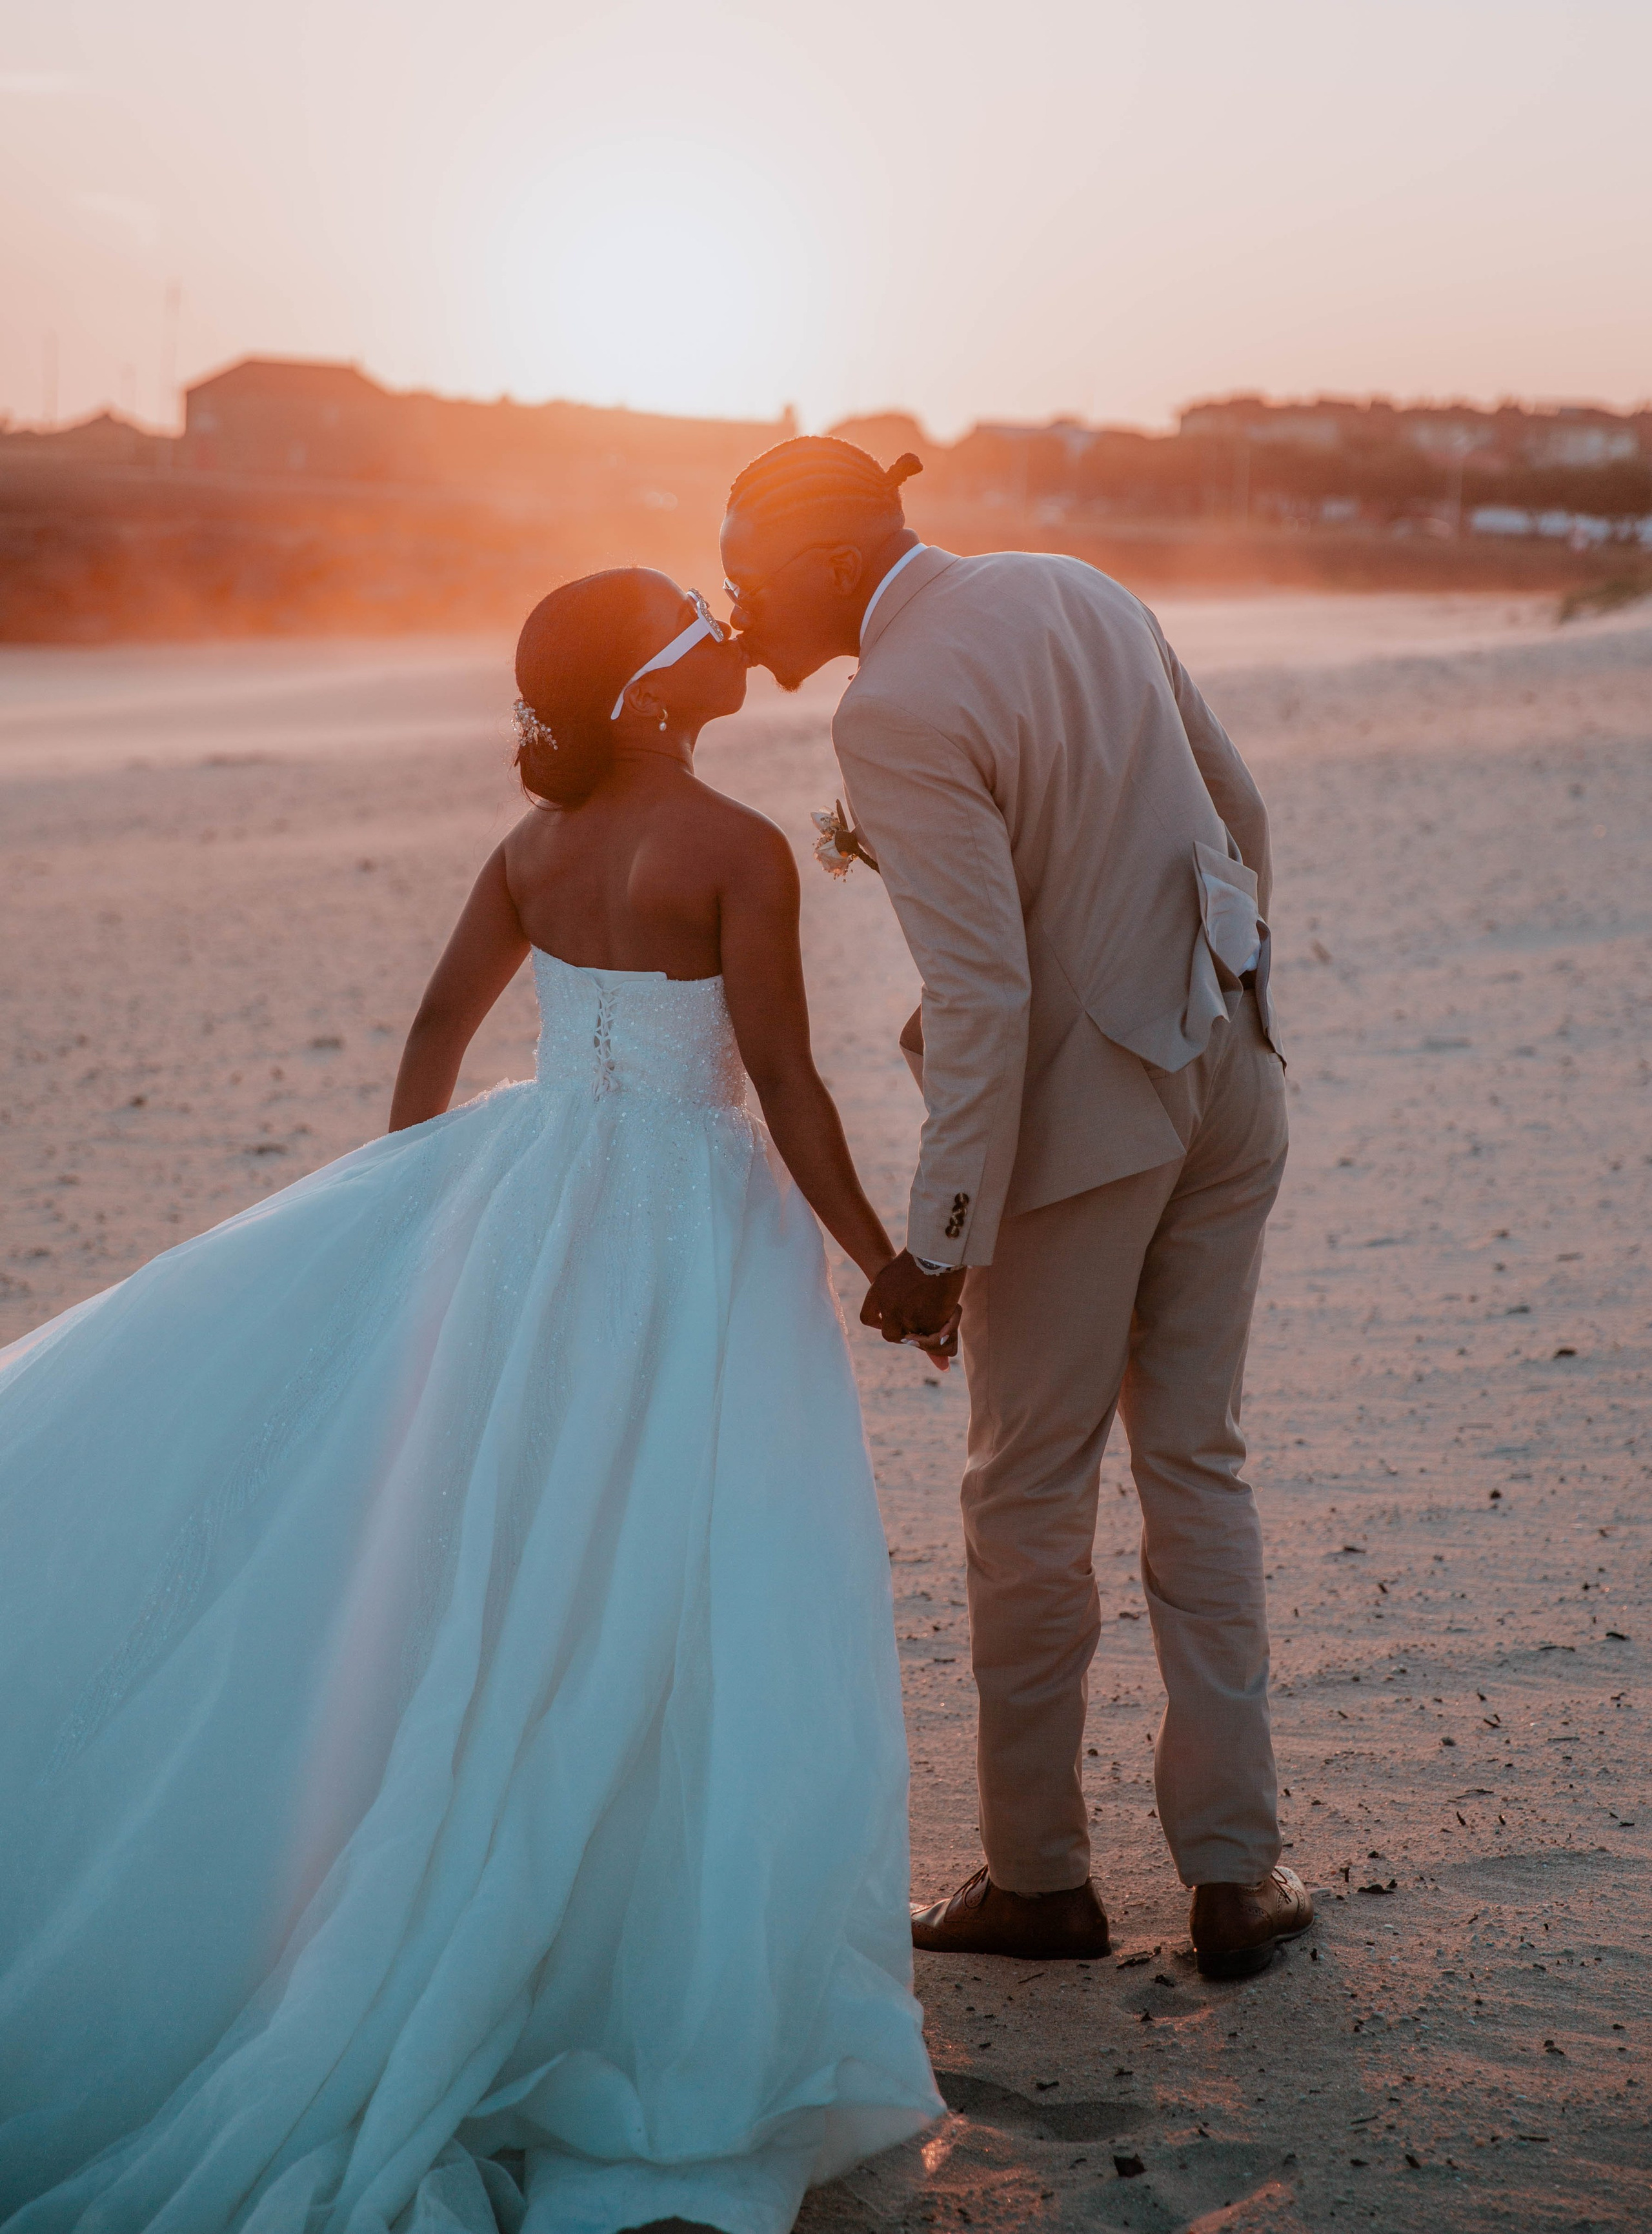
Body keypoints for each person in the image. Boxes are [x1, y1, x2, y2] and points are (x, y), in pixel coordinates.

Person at [0, 568, 941, 2234]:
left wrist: (416, 1202)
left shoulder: (536, 851)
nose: (721, 642)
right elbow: (787, 1079)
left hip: (525, 1205)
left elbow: (445, 1022)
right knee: (679, 1566)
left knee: (518, 1553)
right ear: (656, 697)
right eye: (687, 632)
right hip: (680, 1235)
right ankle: (633, 1937)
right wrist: (880, 1255)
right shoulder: (738, 851)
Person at [721, 440, 1313, 1980]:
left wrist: (937, 1244)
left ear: (836, 557)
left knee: (1024, 1494)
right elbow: (1237, 808)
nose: (737, 603)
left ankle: (1040, 1879)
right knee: (1198, 1463)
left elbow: (984, 996)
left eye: (747, 570)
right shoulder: (1076, 584)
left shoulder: (892, 708)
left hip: (1079, 1135)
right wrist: (1223, 997)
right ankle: (1237, 1877)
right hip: (1224, 1087)